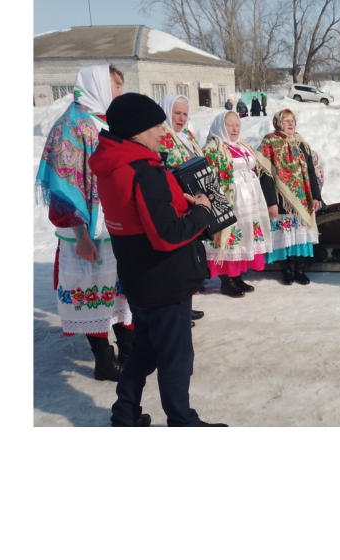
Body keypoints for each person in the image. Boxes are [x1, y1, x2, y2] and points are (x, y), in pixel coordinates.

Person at [88, 92, 226, 427]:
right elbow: (166, 235)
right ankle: (181, 420)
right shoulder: (143, 170)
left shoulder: (113, 164)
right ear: (137, 130)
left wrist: (181, 201)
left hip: (139, 276)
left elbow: (141, 214)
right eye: (156, 126)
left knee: (145, 351)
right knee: (177, 356)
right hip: (164, 279)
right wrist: (202, 213)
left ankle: (125, 412)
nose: (162, 132)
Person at [35, 64, 133, 382]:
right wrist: (82, 236)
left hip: (114, 224)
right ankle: (104, 362)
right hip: (88, 231)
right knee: (94, 293)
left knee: (119, 291)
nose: (119, 92)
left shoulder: (105, 121)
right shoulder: (71, 126)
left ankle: (130, 350)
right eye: (114, 86)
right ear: (98, 87)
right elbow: (64, 186)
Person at [202, 110, 270, 297]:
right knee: (231, 234)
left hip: (250, 199)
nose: (234, 129)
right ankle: (226, 279)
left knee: (245, 235)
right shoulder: (213, 148)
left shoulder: (242, 145)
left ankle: (237, 275)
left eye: (237, 125)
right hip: (232, 199)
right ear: (220, 126)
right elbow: (210, 178)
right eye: (230, 125)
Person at [157, 94, 208, 324]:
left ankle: (185, 303)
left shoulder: (186, 135)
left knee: (189, 256)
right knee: (175, 259)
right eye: (176, 112)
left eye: (185, 113)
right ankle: (176, 310)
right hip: (174, 203)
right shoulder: (161, 135)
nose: (181, 118)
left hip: (192, 202)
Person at [257, 108, 322, 285]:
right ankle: (287, 270)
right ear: (278, 123)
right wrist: (271, 202)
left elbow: (310, 171)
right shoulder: (270, 142)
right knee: (286, 235)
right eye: (286, 120)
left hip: (302, 198)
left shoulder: (301, 143)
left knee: (299, 235)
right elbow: (265, 174)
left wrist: (316, 196)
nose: (291, 123)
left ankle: (299, 269)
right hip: (281, 198)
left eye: (292, 120)